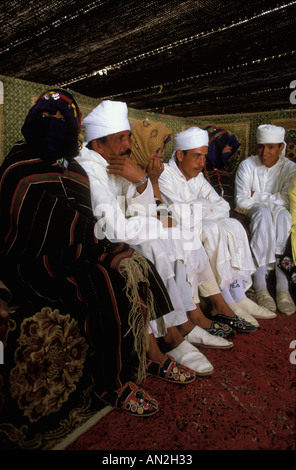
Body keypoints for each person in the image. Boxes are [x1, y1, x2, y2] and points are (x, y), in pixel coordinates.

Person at [0, 90, 198, 419]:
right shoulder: (19, 163)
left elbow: (90, 222)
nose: (127, 145)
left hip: (73, 252)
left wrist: (142, 184)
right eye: (46, 117)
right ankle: (114, 381)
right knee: (106, 275)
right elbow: (25, 223)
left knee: (121, 268)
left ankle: (148, 354)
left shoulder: (73, 168)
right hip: (29, 262)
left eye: (62, 119)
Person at [77, 102, 251, 375]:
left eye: (128, 137)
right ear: (98, 145)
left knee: (179, 235)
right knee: (158, 241)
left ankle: (188, 321)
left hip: (127, 231)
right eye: (121, 138)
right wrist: (151, 199)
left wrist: (142, 181)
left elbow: (144, 210)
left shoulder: (118, 163)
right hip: (97, 241)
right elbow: (114, 228)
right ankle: (173, 335)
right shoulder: (90, 169)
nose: (128, 144)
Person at [158, 126, 277, 325]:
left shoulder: (197, 174)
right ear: (180, 154)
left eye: (204, 157)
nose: (202, 163)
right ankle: (226, 299)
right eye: (197, 156)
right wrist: (204, 207)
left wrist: (199, 207)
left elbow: (223, 206)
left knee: (233, 225)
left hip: (197, 223)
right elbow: (180, 217)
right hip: (179, 230)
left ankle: (238, 294)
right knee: (213, 229)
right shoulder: (165, 175)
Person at [235, 124, 296, 316]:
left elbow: (288, 199)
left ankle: (282, 287)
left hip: (280, 212)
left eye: (271, 147)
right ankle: (260, 284)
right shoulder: (247, 165)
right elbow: (241, 201)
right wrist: (269, 199)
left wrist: (257, 195)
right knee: (263, 213)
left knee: (284, 215)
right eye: (261, 146)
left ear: (281, 147)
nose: (265, 152)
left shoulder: (290, 168)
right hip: (254, 212)